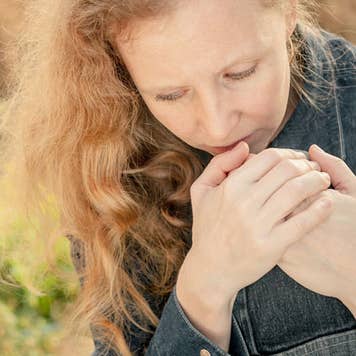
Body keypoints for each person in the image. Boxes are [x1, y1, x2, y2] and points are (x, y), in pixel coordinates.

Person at [1, 0, 355, 355]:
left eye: (241, 73)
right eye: (170, 95)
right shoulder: (113, 168)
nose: (218, 127)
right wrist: (203, 290)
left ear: (289, 11)